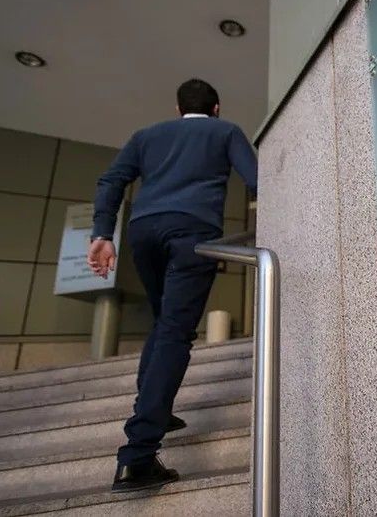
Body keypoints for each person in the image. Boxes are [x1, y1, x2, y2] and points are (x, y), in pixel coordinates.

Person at [87, 79, 258, 493]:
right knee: (175, 332)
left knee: (164, 322)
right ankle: (138, 455)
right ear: (216, 108)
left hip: (143, 232)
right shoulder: (225, 131)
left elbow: (111, 180)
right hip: (191, 233)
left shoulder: (145, 136)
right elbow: (258, 181)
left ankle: (155, 410)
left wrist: (103, 233)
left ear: (178, 109)